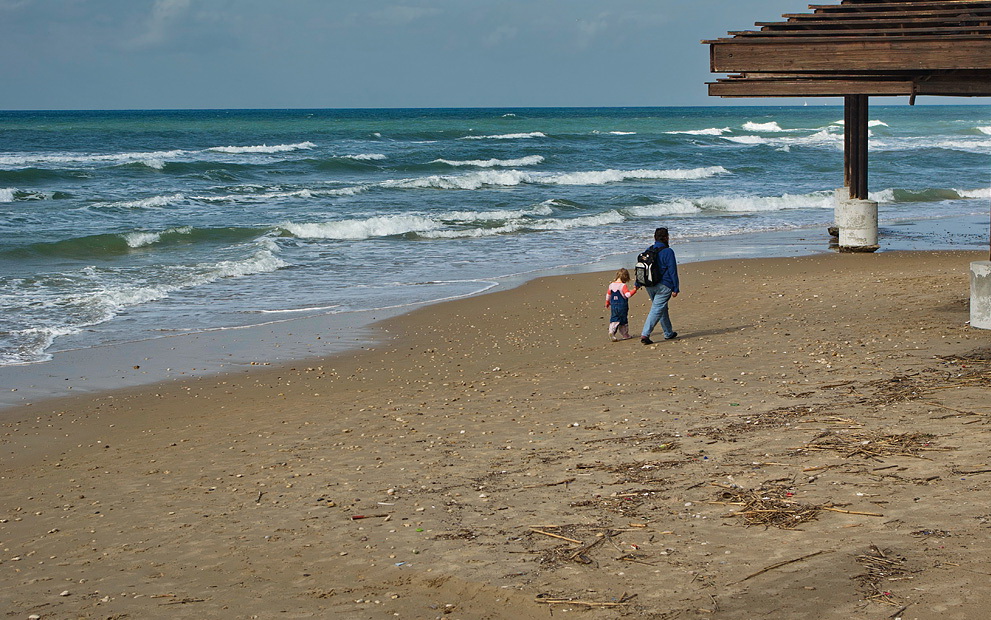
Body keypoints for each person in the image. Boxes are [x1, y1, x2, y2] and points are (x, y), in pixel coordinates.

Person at [639, 227, 679, 345]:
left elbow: (643, 267)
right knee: (657, 309)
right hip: (664, 286)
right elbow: (673, 271)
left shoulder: (649, 250)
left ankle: (668, 332)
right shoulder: (668, 251)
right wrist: (676, 288)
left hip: (649, 285)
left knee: (661, 308)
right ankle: (645, 334)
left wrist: (638, 283)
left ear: (655, 237)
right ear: (666, 237)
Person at [605, 268, 638, 341]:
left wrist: (607, 302)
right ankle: (625, 334)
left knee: (614, 319)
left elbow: (608, 295)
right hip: (622, 306)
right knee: (623, 320)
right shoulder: (623, 286)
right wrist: (635, 290)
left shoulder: (611, 285)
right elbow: (627, 295)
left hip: (613, 305)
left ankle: (612, 332)